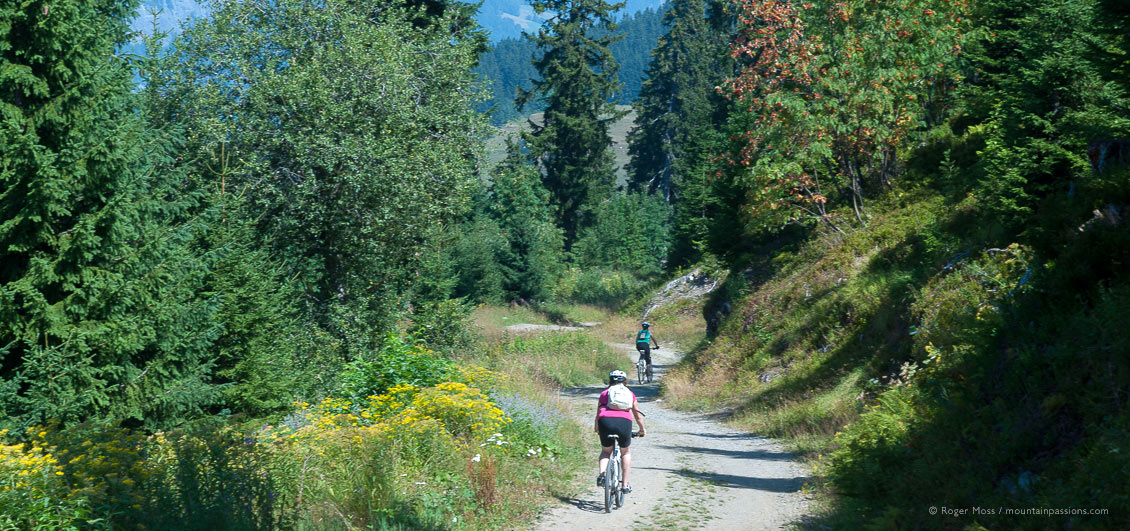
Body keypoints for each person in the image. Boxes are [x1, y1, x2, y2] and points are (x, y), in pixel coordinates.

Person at [594, 370, 645, 492]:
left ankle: (601, 476)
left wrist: (597, 428)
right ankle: (625, 485)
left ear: (610, 381)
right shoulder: (630, 394)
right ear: (625, 382)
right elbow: (638, 415)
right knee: (625, 453)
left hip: (605, 421)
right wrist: (642, 430)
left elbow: (598, 414)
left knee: (606, 451)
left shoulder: (604, 393)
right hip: (624, 423)